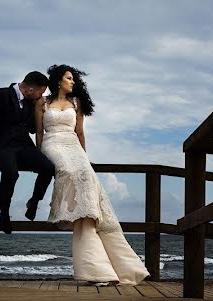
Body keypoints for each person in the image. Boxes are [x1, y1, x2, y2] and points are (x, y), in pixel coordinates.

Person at [34, 64, 149, 286]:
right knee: (68, 171)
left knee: (85, 176)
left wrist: (84, 158)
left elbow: (80, 132)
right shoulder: (42, 102)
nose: (73, 82)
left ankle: (106, 269)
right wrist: (39, 157)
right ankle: (97, 267)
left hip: (73, 144)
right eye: (69, 78)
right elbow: (39, 131)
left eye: (73, 79)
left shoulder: (76, 103)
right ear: (59, 80)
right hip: (52, 144)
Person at [0, 72, 55, 234]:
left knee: (48, 167)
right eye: (40, 92)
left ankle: (34, 201)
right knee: (11, 173)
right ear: (29, 89)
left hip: (23, 147)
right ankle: (4, 213)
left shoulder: (32, 102)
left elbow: (32, 128)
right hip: (0, 147)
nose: (41, 96)